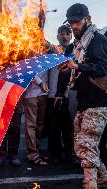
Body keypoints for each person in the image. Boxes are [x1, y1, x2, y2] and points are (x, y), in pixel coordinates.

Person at [62, 3, 107, 189]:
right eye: (71, 22)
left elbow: (105, 68)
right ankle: (103, 177)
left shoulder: (97, 40)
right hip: (85, 100)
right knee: (81, 145)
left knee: (86, 144)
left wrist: (79, 67)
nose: (74, 26)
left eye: (77, 22)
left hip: (99, 101)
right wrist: (71, 68)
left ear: (88, 19)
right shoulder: (80, 43)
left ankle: (90, 184)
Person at [47, 25, 74, 164]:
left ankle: (69, 155)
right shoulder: (53, 52)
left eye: (67, 34)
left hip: (69, 97)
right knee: (53, 128)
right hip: (52, 96)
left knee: (68, 128)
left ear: (71, 36)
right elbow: (44, 42)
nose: (65, 36)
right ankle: (54, 155)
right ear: (57, 36)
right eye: (62, 34)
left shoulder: (75, 53)